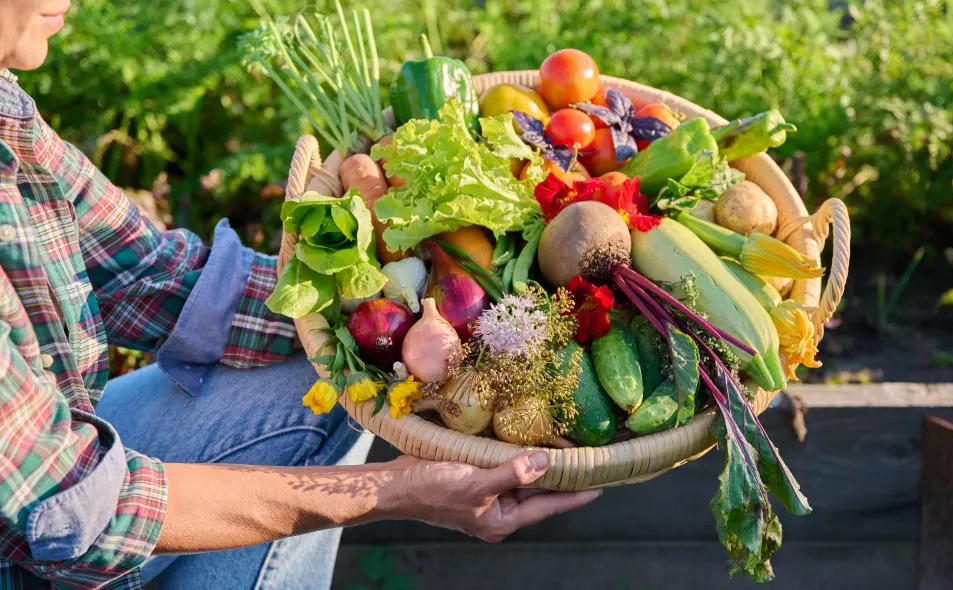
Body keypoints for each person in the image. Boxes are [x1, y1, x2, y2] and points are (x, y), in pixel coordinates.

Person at [0, 3, 602, 589]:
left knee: (334, 370)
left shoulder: (8, 115)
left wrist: (366, 309)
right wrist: (392, 492)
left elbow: (151, 275)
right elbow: (73, 510)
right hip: (38, 529)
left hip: (58, 464)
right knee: (344, 394)